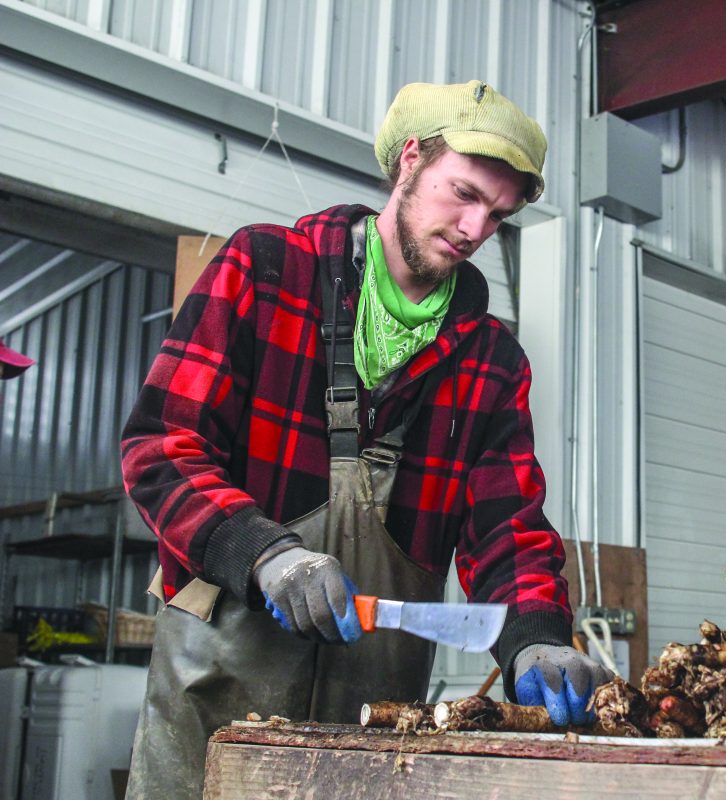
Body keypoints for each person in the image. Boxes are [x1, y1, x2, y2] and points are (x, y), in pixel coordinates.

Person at [121, 80, 610, 798]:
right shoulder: (264, 272)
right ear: (409, 159)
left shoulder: (490, 362)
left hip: (374, 712)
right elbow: (163, 447)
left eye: (497, 215)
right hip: (217, 687)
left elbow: (507, 530)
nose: (475, 227)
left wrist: (536, 632)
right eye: (464, 193)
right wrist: (265, 556)